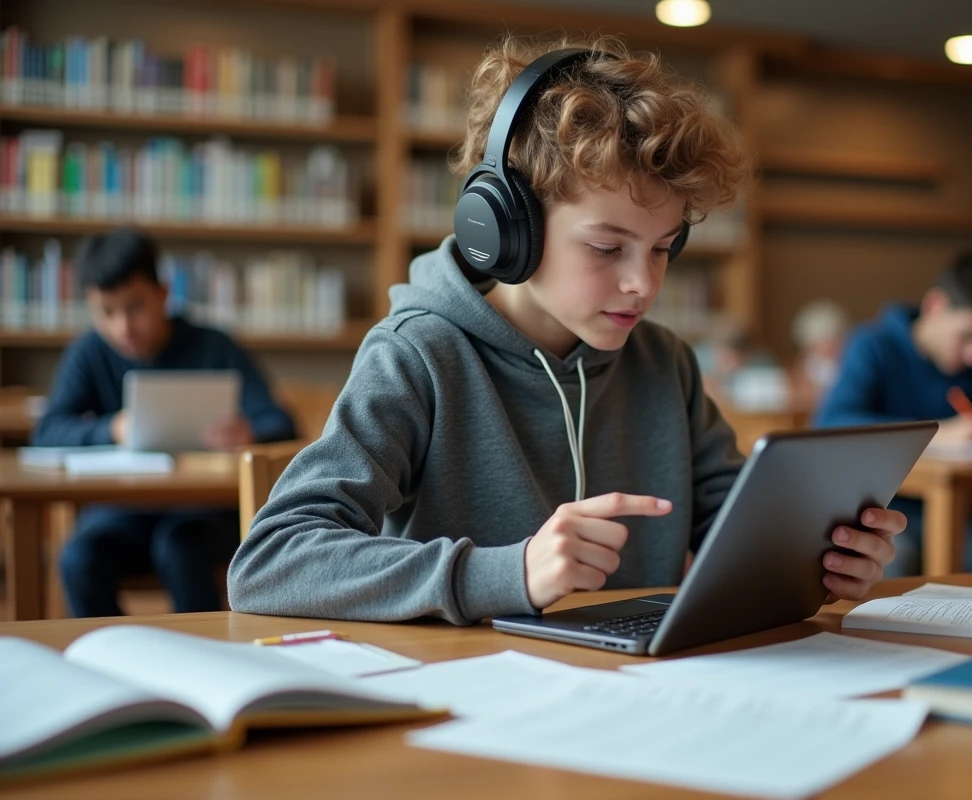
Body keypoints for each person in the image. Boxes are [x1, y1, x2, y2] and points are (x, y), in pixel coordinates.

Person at [228, 36, 907, 625]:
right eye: (608, 248)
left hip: (642, 686)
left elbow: (735, 530)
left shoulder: (663, 362)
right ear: (506, 230)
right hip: (472, 693)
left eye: (663, 248)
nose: (644, 283)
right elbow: (269, 563)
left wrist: (821, 556)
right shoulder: (419, 355)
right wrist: (508, 572)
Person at [33, 229, 296, 617]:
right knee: (78, 558)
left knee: (180, 546)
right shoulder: (88, 353)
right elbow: (47, 432)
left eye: (135, 307)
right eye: (107, 312)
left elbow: (281, 422)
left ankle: (202, 650)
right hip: (122, 511)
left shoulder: (215, 346)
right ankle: (106, 649)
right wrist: (111, 430)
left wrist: (249, 432)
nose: (123, 327)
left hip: (203, 512)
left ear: (163, 292)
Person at [814, 250, 972, 574]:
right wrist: (938, 433)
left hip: (950, 514)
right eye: (968, 337)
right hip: (876, 513)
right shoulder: (872, 345)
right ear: (935, 306)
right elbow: (830, 425)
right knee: (895, 561)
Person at [790, 299, 849, 405]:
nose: (830, 345)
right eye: (823, 340)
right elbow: (798, 396)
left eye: (835, 339)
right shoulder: (804, 367)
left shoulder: (850, 363)